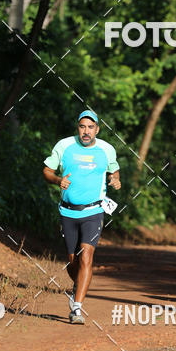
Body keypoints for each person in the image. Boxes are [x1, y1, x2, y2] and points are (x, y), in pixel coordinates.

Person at [43, 110, 120, 324]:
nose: (86, 131)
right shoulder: (64, 146)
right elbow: (47, 170)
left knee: (86, 256)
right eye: (82, 127)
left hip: (93, 211)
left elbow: (114, 170)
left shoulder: (107, 149)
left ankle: (77, 308)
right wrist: (58, 180)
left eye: (90, 127)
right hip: (67, 211)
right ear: (78, 128)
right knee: (72, 260)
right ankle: (77, 284)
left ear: (97, 129)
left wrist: (115, 180)